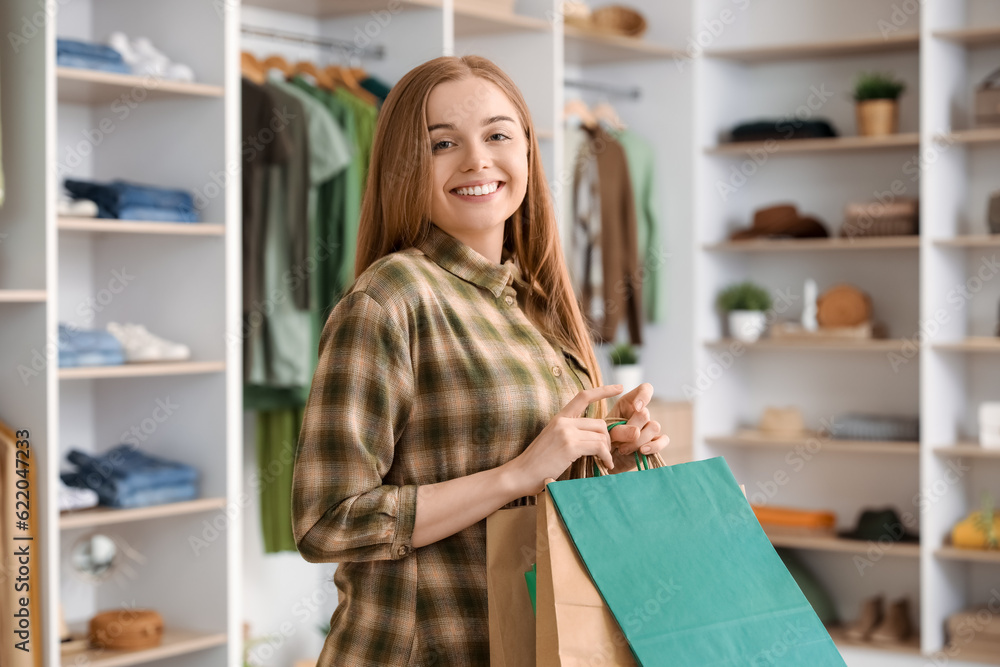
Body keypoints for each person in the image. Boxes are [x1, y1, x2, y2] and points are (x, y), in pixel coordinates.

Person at [291, 54, 669, 666]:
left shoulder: (537, 301)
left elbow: (540, 486)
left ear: (526, 148)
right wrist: (517, 473)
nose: (477, 160)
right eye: (443, 143)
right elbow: (326, 522)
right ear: (405, 164)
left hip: (527, 645)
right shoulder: (389, 299)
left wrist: (608, 453)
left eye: (497, 134)